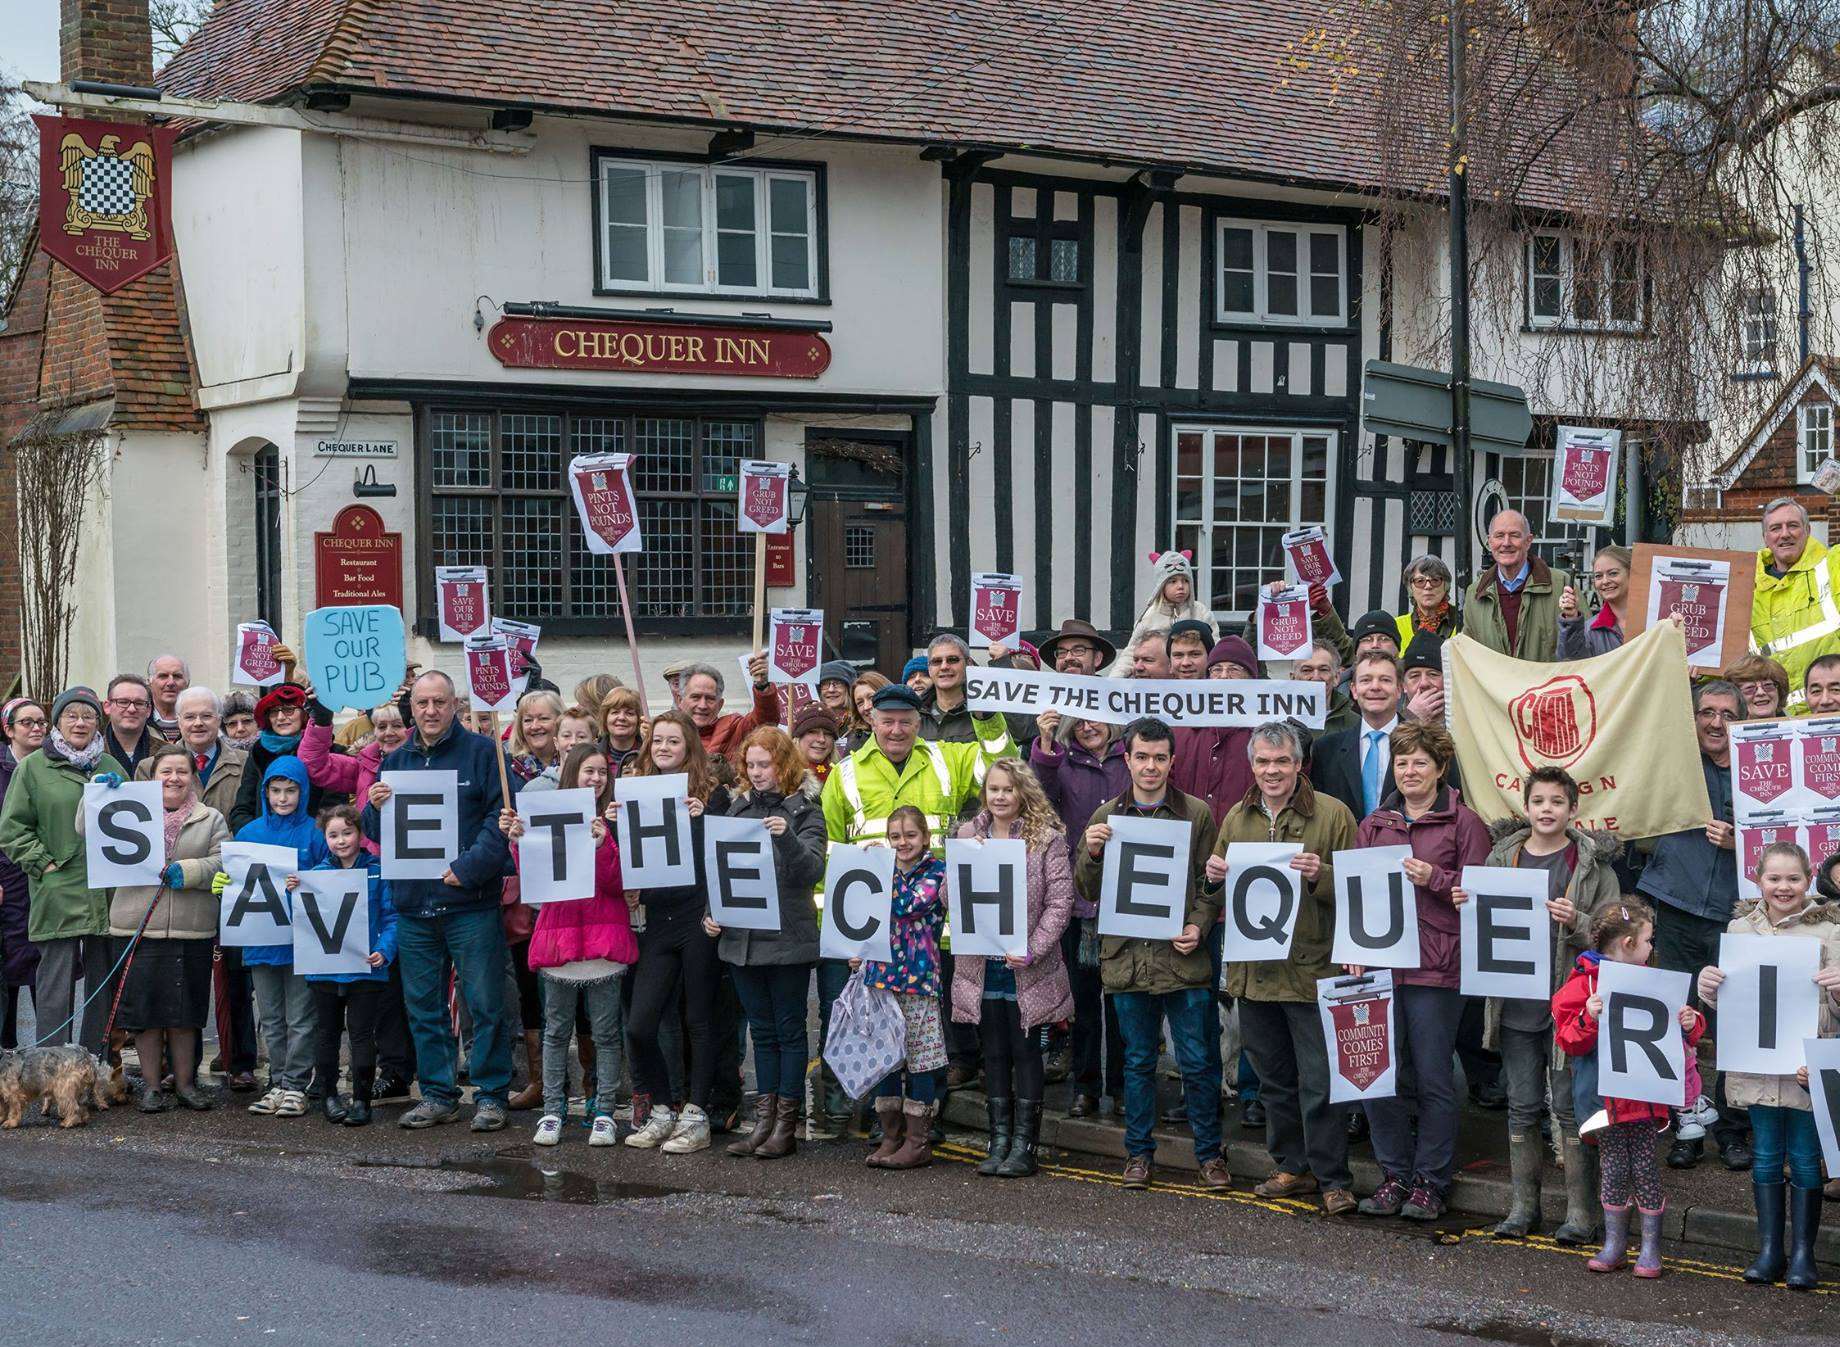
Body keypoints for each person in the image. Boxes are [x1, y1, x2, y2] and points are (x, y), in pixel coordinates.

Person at [820, 681, 1012, 1097]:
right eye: (887, 721)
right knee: (880, 1031)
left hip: (937, 930)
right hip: (874, 935)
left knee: (934, 1038)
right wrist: (844, 939)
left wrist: (986, 718)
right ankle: (883, 1118)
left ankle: (929, 1116)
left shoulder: (947, 758)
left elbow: (1005, 769)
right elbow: (832, 858)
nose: (896, 730)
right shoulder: (844, 773)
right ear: (871, 720)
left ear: (919, 722)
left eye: (905, 722)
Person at [1073, 717, 1230, 1192]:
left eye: (1160, 758)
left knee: (1198, 1060)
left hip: (1182, 959)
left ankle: (1209, 1154)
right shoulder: (1105, 818)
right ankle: (1138, 1154)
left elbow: (1211, 886)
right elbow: (1086, 889)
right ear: (1128, 759)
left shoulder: (1197, 814)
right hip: (1127, 958)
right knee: (1138, 1061)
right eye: (1142, 756)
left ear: (1172, 762)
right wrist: (1093, 854)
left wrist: (1197, 927)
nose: (1151, 766)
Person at [1210, 721, 1359, 1213]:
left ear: (1299, 764)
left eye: (1281, 761)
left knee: (1320, 1082)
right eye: (1263, 762)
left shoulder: (1334, 815)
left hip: (1311, 970)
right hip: (1256, 975)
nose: (1272, 771)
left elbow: (1361, 892)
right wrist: (1213, 877)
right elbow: (1216, 887)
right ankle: (1291, 1166)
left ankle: (1332, 1176)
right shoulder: (1236, 816)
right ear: (1251, 765)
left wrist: (1324, 875)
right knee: (1273, 1079)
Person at [1466, 766, 1620, 1242]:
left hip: (1569, 1006)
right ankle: (1522, 1207)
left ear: (1574, 809)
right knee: (1521, 1105)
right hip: (1514, 1002)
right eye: (1538, 801)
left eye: (1557, 801)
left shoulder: (1593, 865)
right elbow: (1482, 922)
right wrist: (1465, 901)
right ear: (1526, 808)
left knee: (1572, 1108)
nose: (1547, 809)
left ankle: (1580, 1214)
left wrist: (1577, 920)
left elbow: (1615, 934)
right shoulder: (1501, 858)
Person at [362, 670, 515, 1132]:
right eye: (423, 704)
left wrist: (468, 869)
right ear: (412, 708)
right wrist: (373, 805)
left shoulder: (485, 754)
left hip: (469, 904)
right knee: (423, 1006)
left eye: (440, 703)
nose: (430, 711)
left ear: (455, 706)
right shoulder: (395, 760)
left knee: (485, 1004)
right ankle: (437, 1094)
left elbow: (503, 820)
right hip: (413, 906)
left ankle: (490, 1095)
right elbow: (374, 832)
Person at [1351, 720, 1491, 1220]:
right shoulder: (1375, 823)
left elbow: (1480, 895)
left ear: (1440, 769)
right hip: (1382, 965)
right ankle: (1394, 1175)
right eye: (1402, 762)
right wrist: (1353, 947)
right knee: (1378, 1074)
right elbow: (1358, 896)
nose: (1409, 771)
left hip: (1438, 967)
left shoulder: (1464, 823)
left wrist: (1436, 878)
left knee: (1433, 1077)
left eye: (1420, 763)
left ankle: (1430, 1181)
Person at [1697, 842, 1840, 1291]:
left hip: (1802, 1065)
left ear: (1809, 877)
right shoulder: (1740, 928)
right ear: (1757, 880)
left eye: (1793, 878)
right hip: (1756, 1065)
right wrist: (1709, 986)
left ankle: (1803, 1254)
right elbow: (1731, 999)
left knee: (1802, 1157)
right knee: (1764, 1156)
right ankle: (1769, 1249)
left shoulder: (1832, 929)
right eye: (1774, 878)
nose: (1784, 887)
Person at [1553, 900, 1705, 1279]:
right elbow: (1568, 1041)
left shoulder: (1653, 981)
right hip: (1605, 1100)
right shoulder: (1581, 986)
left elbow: (1686, 1032)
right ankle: (1615, 1244)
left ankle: (1650, 1248)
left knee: (1644, 1167)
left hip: (1644, 1097)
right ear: (1626, 943)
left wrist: (1690, 1021)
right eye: (1648, 940)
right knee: (1614, 1168)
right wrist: (1588, 1015)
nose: (1653, 948)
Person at [1636, 678, 1752, 1171]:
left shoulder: (1758, 770)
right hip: (1677, 905)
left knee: (1732, 1027)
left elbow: (1788, 840)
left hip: (1737, 914)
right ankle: (1686, 1125)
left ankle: (1731, 1130)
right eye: (1706, 711)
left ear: (1741, 719)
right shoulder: (1675, 762)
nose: (1715, 722)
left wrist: (1740, 842)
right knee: (1677, 1022)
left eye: (1727, 713)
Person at [706, 727, 825, 1160]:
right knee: (762, 1032)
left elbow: (811, 870)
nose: (757, 773)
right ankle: (764, 1121)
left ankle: (786, 1127)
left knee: (790, 1031)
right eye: (751, 765)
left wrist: (785, 836)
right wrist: (711, 913)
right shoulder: (737, 809)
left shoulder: (806, 810)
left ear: (785, 765)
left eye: (765, 765)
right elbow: (718, 870)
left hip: (787, 938)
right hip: (742, 940)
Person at [952, 759, 1073, 1179]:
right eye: (992, 789)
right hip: (981, 967)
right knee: (994, 1054)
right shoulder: (968, 837)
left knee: (1026, 1055)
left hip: (1027, 969)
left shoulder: (1047, 840)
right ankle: (998, 1139)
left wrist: (1033, 949)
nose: (999, 797)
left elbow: (1060, 904)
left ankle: (1025, 1145)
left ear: (1023, 792)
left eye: (1007, 789)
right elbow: (953, 897)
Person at [514, 745, 636, 1149]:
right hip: (559, 938)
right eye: (588, 771)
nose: (596, 778)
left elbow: (621, 883)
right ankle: (552, 1110)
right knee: (555, 1031)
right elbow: (534, 875)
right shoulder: (550, 815)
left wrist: (605, 846)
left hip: (604, 940)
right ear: (572, 775)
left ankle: (602, 1111)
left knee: (604, 1032)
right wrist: (517, 842)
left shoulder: (619, 818)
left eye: (602, 771)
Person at [622, 710, 732, 1154]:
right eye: (658, 741)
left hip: (697, 918)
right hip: (657, 919)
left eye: (673, 741)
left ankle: (698, 1113)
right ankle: (664, 1107)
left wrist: (703, 817)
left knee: (700, 1020)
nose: (664, 748)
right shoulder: (636, 791)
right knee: (640, 1024)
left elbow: (726, 852)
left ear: (689, 746)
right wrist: (609, 823)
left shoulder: (713, 793)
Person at [97, 744, 227, 1112]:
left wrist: (189, 871)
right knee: (145, 1016)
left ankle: (186, 1085)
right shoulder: (126, 811)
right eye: (165, 771)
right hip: (137, 928)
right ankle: (152, 1087)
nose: (174, 778)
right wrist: (100, 795)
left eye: (181, 771)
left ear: (192, 777)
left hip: (192, 930)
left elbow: (224, 862)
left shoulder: (211, 818)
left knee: (186, 1015)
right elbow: (85, 830)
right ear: (152, 778)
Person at [0, 687, 127, 1053]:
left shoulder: (111, 767)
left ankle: (93, 1067)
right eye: (71, 715)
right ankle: (53, 1071)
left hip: (106, 892)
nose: (80, 722)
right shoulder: (33, 768)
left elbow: (135, 824)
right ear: (57, 721)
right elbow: (12, 830)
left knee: (102, 986)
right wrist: (44, 864)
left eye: (88, 716)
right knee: (55, 988)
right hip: (57, 889)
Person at [1032, 711, 1128, 1119]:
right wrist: (1047, 745)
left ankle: (1124, 1088)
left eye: (1097, 720)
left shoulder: (1130, 759)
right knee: (1085, 1004)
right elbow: (1040, 796)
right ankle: (1085, 1087)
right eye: (1081, 722)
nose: (1088, 727)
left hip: (1128, 899)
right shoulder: (1063, 762)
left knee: (1123, 1006)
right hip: (1079, 900)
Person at [221, 755, 330, 1117]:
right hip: (260, 939)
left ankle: (296, 1083)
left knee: (300, 1015)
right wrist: (223, 885)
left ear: (304, 791)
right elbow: (238, 880)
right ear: (265, 792)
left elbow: (330, 878)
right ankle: (278, 1080)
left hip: (302, 941)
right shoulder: (250, 833)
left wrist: (311, 880)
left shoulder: (315, 834)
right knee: (270, 1017)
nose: (283, 798)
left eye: (291, 791)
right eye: (276, 790)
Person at [859, 805, 950, 1170]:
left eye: (910, 835)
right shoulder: (886, 870)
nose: (902, 843)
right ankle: (891, 1136)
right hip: (882, 975)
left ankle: (917, 1141)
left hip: (919, 978)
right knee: (886, 1061)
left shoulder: (937, 872)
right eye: (895, 837)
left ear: (926, 838)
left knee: (920, 1061)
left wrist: (874, 873)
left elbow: (908, 906)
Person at [298, 804, 397, 1127]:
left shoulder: (378, 870)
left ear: (360, 833)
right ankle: (328, 1095)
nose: (341, 841)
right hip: (324, 967)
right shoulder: (315, 874)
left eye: (347, 833)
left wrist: (385, 950)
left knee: (361, 1035)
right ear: (324, 837)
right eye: (333, 835)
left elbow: (392, 916)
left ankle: (361, 1100)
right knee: (326, 1034)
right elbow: (304, 920)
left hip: (365, 967)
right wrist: (292, 893)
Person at [1752, 497, 1840, 710]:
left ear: (1808, 530)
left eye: (1793, 525)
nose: (1785, 534)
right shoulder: (1747, 586)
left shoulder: (1833, 565)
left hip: (1831, 712)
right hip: (1779, 723)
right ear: (1765, 538)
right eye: (1775, 528)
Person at [1461, 509, 1571, 660]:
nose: (1506, 543)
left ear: (1528, 541)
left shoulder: (1561, 585)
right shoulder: (1475, 593)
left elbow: (1582, 648)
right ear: (1490, 541)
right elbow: (1469, 654)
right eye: (1499, 535)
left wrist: (1573, 618)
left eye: (1514, 535)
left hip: (1547, 683)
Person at [0, 699, 46, 1048]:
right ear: (9, 729)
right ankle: (8, 1048)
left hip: (44, 879)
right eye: (27, 722)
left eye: (41, 722)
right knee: (9, 968)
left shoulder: (50, 766)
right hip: (8, 882)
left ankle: (48, 1048)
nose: (36, 728)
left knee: (44, 966)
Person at [231, 684, 336, 833]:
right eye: (274, 711)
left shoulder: (329, 750)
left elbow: (333, 808)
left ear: (305, 713)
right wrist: (257, 836)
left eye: (289, 710)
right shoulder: (259, 751)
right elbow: (242, 808)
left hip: (311, 845)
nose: (280, 717)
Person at [1311, 650, 1401, 819]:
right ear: (1354, 689)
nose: (1375, 687)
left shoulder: (1428, 745)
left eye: (1385, 680)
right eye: (1366, 680)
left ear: (1399, 689)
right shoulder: (1325, 751)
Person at [676, 657, 777, 764]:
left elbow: (765, 722)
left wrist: (763, 686)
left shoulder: (734, 729)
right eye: (695, 697)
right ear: (680, 700)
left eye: (710, 698)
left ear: (720, 705)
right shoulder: (663, 732)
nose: (702, 705)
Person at [1557, 545, 1633, 659]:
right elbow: (1570, 663)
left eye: (1613, 573)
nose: (1605, 581)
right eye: (1598, 576)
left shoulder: (1655, 620)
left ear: (1630, 574)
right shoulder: (1590, 630)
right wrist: (1571, 618)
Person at [1128, 549, 1217, 643]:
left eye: (1185, 581)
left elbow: (1215, 645)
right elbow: (1132, 649)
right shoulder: (1150, 616)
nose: (1180, 586)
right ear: (1161, 586)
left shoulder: (1201, 612)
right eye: (1173, 581)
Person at [1396, 554, 1460, 650]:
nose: (1428, 586)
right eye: (1420, 581)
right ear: (1410, 588)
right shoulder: (1396, 626)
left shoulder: (1463, 621)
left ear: (1446, 586)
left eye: (1435, 580)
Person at [1294, 640, 1356, 738]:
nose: (1316, 677)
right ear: (1293, 678)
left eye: (1323, 670)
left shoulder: (1356, 724)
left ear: (1336, 677)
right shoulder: (1277, 720)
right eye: (1307, 670)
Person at [102, 675, 162, 775]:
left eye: (139, 703)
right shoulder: (92, 753)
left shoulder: (167, 753)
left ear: (149, 710)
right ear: (107, 707)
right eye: (123, 702)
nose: (132, 709)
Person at [507, 688, 565, 783]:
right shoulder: (507, 769)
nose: (534, 726)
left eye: (543, 718)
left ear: (561, 721)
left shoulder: (577, 763)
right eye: (528, 720)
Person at [1036, 619, 1117, 677]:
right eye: (1061, 652)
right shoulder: (1043, 698)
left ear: (1097, 658)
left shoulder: (1110, 697)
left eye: (1078, 650)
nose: (1068, 658)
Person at [1725, 654, 1790, 721]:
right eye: (1749, 688)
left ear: (1779, 692)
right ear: (1736, 697)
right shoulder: (1725, 730)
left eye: (1768, 685)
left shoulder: (1798, 728)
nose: (1761, 692)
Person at [598, 686, 646, 773]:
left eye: (629, 713)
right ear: (605, 718)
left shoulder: (649, 755)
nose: (621, 718)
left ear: (639, 720)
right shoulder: (591, 755)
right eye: (615, 712)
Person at [1400, 634, 1446, 722]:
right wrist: (1411, 717)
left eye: (1433, 674)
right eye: (1415, 676)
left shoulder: (1466, 717)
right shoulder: (1386, 716)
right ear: (1404, 685)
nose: (1424, 683)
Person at [842, 671, 890, 755]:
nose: (866, 707)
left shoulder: (913, 730)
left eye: (871, 697)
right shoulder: (855, 745)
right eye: (860, 703)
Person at [146, 654, 191, 742]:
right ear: (149, 683)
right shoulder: (140, 719)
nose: (170, 683)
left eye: (177, 676)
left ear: (187, 683)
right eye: (163, 676)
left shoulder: (199, 721)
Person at [791, 706, 839, 783]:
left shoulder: (845, 775)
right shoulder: (784, 775)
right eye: (812, 732)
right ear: (798, 738)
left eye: (828, 734)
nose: (822, 739)